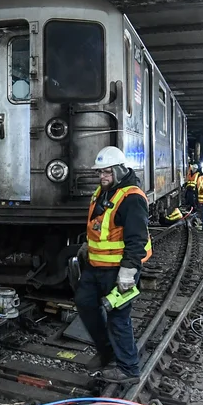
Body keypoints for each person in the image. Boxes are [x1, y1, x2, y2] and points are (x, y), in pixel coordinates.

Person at [74, 145, 152, 383]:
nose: (102, 177)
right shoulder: (102, 192)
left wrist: (128, 272)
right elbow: (102, 226)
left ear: (119, 170)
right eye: (100, 173)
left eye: (107, 172)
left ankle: (129, 369)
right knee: (85, 304)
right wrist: (88, 247)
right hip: (96, 266)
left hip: (120, 270)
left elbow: (137, 239)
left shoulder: (132, 198)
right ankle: (107, 352)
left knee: (118, 317)